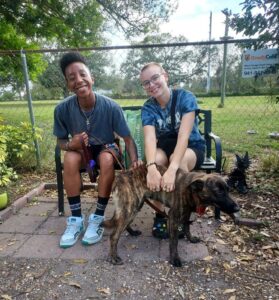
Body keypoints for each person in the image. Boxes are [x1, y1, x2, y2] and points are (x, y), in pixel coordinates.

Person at [53, 52, 141, 248]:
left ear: (92, 78)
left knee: (107, 159)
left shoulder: (111, 106)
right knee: (69, 158)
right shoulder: (62, 110)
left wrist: (134, 162)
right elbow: (60, 141)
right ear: (68, 84)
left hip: (106, 148)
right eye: (71, 77)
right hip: (80, 149)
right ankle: (75, 219)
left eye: (83, 74)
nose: (78, 80)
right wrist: (70, 144)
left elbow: (127, 139)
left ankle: (97, 218)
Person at [140, 62, 206, 239]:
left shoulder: (185, 97)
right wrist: (151, 167)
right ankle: (160, 216)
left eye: (155, 78)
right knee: (159, 161)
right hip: (165, 145)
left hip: (192, 147)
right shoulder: (148, 107)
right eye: (146, 83)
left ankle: (181, 215)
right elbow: (150, 138)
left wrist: (172, 169)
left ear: (165, 76)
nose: (151, 85)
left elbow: (184, 137)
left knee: (179, 161)